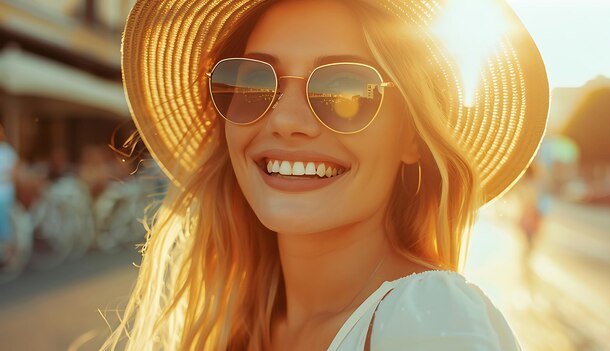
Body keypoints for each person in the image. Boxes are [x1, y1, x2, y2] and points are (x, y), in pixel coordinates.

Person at [104, 0, 549, 350]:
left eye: (344, 88)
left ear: (411, 135)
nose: (285, 120)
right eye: (254, 83)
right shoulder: (242, 322)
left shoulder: (429, 320)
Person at [0, 124, 18, 266]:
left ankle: (9, 250)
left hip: (4, 192)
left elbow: (13, 173)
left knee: (3, 219)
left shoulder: (8, 152)